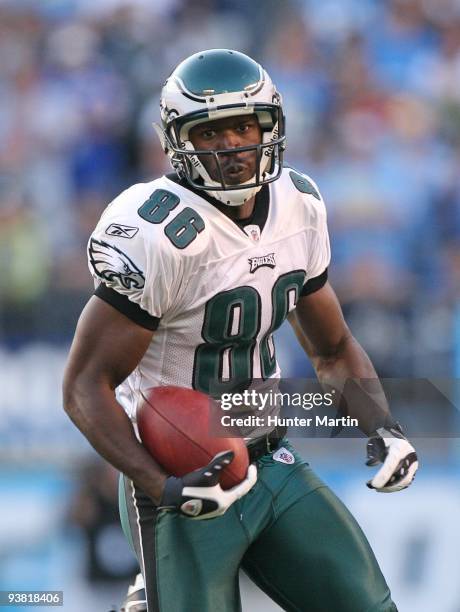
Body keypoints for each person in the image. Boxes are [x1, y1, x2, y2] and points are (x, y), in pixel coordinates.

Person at [63, 49, 418, 612]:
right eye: (211, 132)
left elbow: (332, 347)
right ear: (180, 142)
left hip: (272, 458)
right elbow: (84, 384)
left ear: (271, 126)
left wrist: (384, 426)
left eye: (244, 126)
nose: (231, 145)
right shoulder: (154, 232)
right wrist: (163, 487)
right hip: (184, 476)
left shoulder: (298, 205)